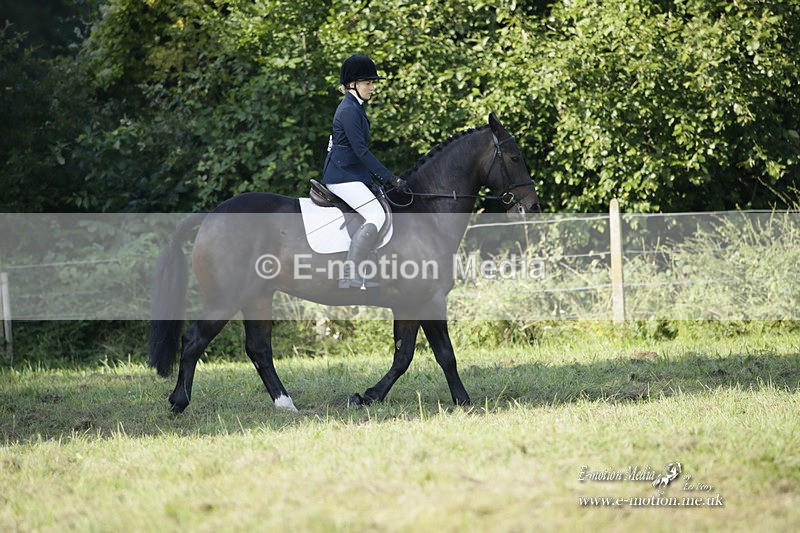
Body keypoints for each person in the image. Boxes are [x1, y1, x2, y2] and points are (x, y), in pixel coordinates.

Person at [322, 54, 407, 289]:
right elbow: (361, 151)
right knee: (377, 215)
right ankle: (349, 274)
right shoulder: (349, 110)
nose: (372, 87)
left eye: (372, 83)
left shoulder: (354, 107)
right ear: (352, 84)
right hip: (342, 176)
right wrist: (390, 177)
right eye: (368, 83)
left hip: (351, 173)